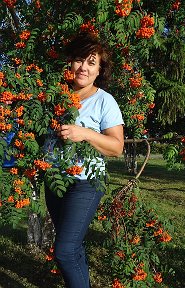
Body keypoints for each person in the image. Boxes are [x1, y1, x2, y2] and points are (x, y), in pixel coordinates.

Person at [44, 32, 124, 288]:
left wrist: (85, 134)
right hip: (55, 182)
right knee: (73, 247)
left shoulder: (105, 101)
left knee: (64, 251)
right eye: (79, 59)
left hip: (86, 183)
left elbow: (116, 147)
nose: (84, 67)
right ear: (70, 62)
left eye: (92, 62)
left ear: (99, 69)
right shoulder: (55, 96)